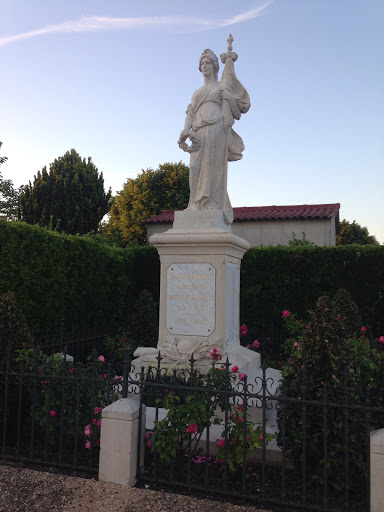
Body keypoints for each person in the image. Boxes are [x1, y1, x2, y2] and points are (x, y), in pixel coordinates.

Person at [178, 47, 250, 224]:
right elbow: (190, 113)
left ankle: (213, 203)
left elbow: (237, 112)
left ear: (215, 67)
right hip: (198, 132)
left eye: (207, 63)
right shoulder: (197, 93)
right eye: (202, 63)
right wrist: (185, 130)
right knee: (195, 168)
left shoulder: (221, 86)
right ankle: (195, 203)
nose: (204, 66)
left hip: (217, 129)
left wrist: (231, 98)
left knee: (213, 166)